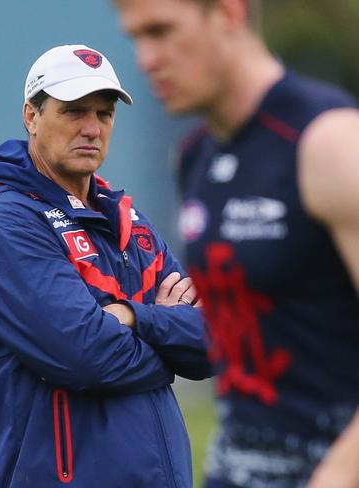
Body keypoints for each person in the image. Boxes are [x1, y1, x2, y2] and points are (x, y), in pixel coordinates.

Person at [113, 0, 359, 486]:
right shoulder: (195, 157)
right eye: (136, 38)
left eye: (162, 32)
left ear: (228, 15)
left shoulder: (328, 141)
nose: (145, 59)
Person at [0, 44, 211, 487]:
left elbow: (215, 339)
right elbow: (88, 356)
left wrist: (134, 316)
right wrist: (168, 341)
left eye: (104, 113)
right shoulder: (6, 221)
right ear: (31, 117)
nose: (92, 128)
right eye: (73, 111)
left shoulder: (126, 219)